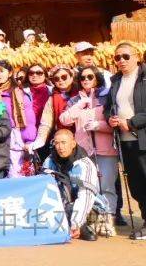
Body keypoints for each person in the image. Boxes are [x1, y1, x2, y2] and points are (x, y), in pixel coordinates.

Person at [60, 65, 118, 236]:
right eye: (83, 77)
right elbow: (64, 119)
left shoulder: (106, 98)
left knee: (106, 186)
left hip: (104, 148)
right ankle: (90, 220)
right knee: (87, 186)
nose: (86, 80)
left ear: (97, 78)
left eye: (90, 76)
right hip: (84, 151)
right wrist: (79, 104)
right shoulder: (74, 100)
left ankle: (107, 219)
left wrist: (99, 125)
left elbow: (113, 123)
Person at [105, 42, 146, 240]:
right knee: (136, 184)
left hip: (143, 138)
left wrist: (131, 122)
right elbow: (108, 107)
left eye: (125, 56)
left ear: (137, 56)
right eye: (117, 57)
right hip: (126, 141)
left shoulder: (144, 78)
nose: (121, 61)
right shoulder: (115, 82)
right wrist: (110, 119)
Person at [43, 129, 104, 241]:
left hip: (88, 205)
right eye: (57, 143)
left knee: (83, 212)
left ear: (73, 143)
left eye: (64, 142)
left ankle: (82, 226)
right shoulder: (49, 161)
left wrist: (76, 223)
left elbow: (86, 196)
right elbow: (43, 188)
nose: (60, 147)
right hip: (62, 203)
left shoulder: (85, 164)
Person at [0, 61, 37, 177]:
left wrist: (28, 140)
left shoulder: (19, 93)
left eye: (1, 71)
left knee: (18, 173)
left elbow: (28, 117)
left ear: (10, 73)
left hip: (16, 138)